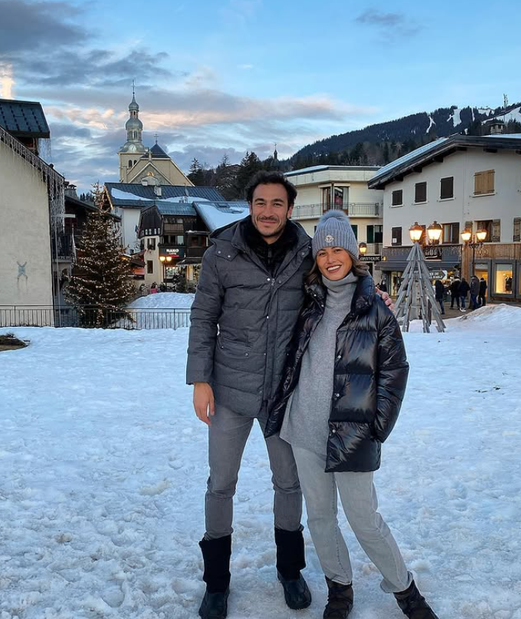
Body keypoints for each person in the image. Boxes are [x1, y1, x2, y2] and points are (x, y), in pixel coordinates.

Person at [186, 172, 392, 619]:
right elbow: (203, 316)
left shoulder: (305, 252)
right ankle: (216, 583)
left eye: (276, 203)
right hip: (229, 390)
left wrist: (372, 298)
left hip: (284, 393)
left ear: (289, 208)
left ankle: (290, 570)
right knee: (220, 485)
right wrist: (200, 379)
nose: (267, 211)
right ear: (250, 204)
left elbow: (340, 281)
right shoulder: (223, 250)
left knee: (289, 483)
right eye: (260, 202)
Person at [266, 211, 439, 619]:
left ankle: (405, 591)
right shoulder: (307, 302)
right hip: (304, 428)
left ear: (352, 252)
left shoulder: (375, 310)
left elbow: (395, 371)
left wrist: (378, 425)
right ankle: (339, 589)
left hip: (353, 433)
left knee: (365, 520)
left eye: (337, 249)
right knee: (321, 518)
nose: (329, 259)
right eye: (322, 251)